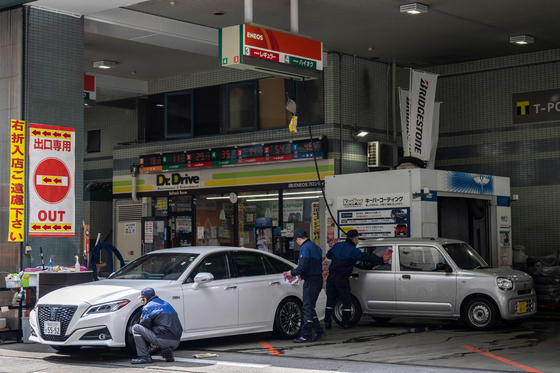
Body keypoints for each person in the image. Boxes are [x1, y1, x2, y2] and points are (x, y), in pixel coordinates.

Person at [324, 230, 392, 329]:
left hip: (331, 277)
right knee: (346, 300)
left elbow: (328, 255)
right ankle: (346, 323)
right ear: (355, 239)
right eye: (357, 239)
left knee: (330, 300)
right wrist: (381, 259)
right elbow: (366, 258)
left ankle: (327, 322)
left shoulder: (337, 245)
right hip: (342, 278)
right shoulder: (353, 250)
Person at [287, 229, 326, 343]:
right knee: (310, 307)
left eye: (296, 241)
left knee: (307, 308)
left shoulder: (305, 248)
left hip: (311, 281)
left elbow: (303, 266)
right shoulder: (316, 247)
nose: (297, 243)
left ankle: (306, 335)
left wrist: (292, 273)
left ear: (299, 239)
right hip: (318, 279)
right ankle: (318, 331)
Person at [131, 287, 183, 364]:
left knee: (136, 328)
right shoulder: (166, 304)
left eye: (142, 300)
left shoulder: (147, 307)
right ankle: (166, 351)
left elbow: (144, 326)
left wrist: (130, 329)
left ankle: (144, 357)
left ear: (145, 299)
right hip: (176, 341)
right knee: (161, 329)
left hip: (162, 340)